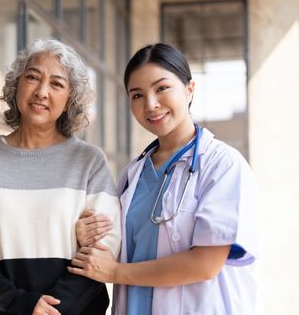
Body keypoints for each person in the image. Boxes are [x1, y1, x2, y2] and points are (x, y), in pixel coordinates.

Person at [68, 43, 261, 314]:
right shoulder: (132, 174)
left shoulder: (222, 165)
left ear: (189, 89)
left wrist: (115, 273)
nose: (150, 104)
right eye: (137, 95)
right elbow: (118, 246)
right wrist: (87, 232)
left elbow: (205, 264)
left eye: (162, 88)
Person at [0, 38, 121, 315]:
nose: (42, 91)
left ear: (70, 100)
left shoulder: (89, 162)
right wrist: (21, 305)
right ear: (16, 85)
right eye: (32, 77)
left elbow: (105, 247)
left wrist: (52, 309)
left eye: (57, 84)